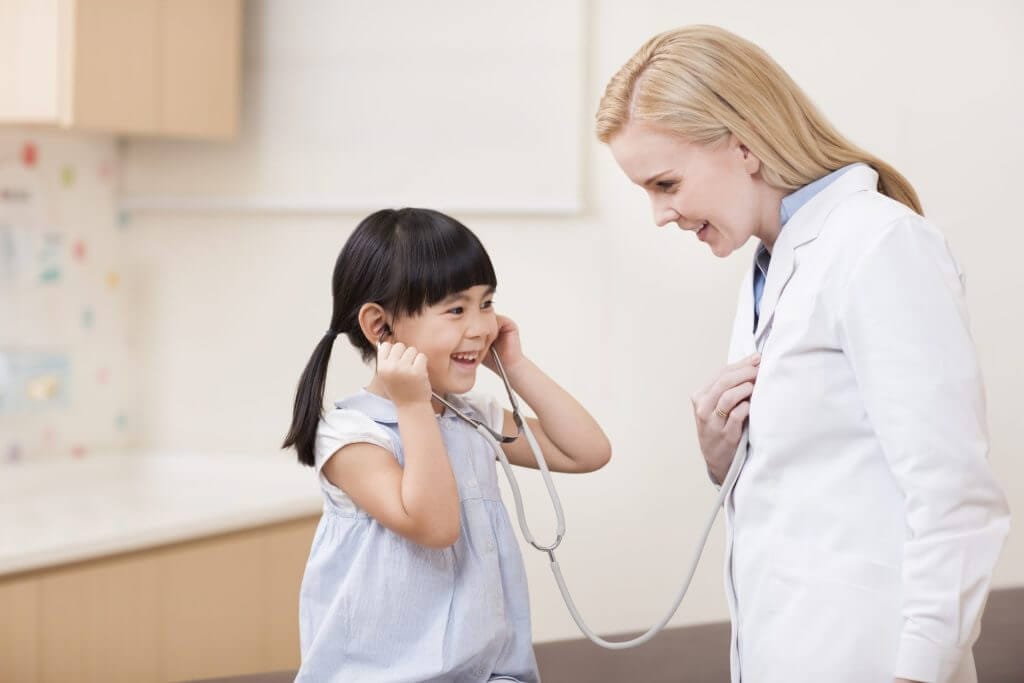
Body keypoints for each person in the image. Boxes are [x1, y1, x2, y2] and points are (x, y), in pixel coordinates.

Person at [596, 24, 1009, 683]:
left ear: (743, 146)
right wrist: (724, 457)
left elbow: (954, 496)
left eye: (665, 183)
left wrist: (918, 673)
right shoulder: (768, 265)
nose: (660, 214)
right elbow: (819, 477)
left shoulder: (878, 244)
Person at [283, 207, 611, 682]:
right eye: (456, 309)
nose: (479, 327)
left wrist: (514, 366)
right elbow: (434, 525)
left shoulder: (471, 416)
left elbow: (587, 451)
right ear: (381, 328)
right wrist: (413, 405)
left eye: (486, 304)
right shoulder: (351, 437)